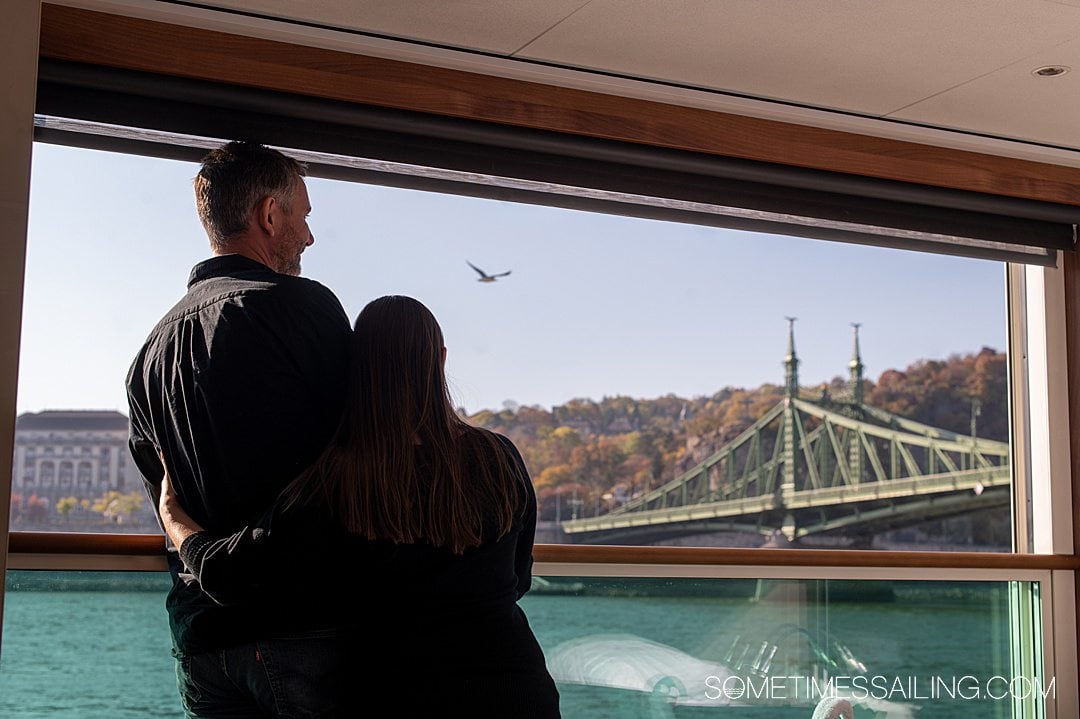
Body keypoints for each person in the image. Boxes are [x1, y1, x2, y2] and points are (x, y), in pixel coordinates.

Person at [157, 295, 561, 719]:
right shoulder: (498, 457)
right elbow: (518, 577)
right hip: (518, 686)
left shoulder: (339, 480)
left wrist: (175, 521)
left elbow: (232, 576)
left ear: (357, 367)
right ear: (440, 360)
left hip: (399, 693)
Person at [126, 141, 351, 717]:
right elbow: (360, 451)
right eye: (302, 215)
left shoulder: (150, 352)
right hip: (300, 626)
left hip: (200, 633)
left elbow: (167, 499)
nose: (308, 235)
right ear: (269, 215)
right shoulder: (301, 308)